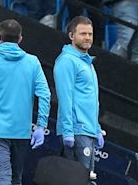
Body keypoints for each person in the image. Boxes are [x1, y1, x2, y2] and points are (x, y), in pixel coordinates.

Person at [0, 19, 51, 185]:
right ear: (20, 39)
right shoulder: (32, 62)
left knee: (4, 177)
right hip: (21, 131)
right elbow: (45, 94)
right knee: (14, 179)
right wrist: (41, 125)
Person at [54, 16, 105, 182]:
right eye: (83, 33)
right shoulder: (67, 61)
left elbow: (91, 101)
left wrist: (96, 128)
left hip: (87, 130)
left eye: (90, 34)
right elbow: (65, 98)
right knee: (80, 180)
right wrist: (68, 130)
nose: (88, 37)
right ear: (71, 36)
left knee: (87, 180)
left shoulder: (87, 63)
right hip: (76, 130)